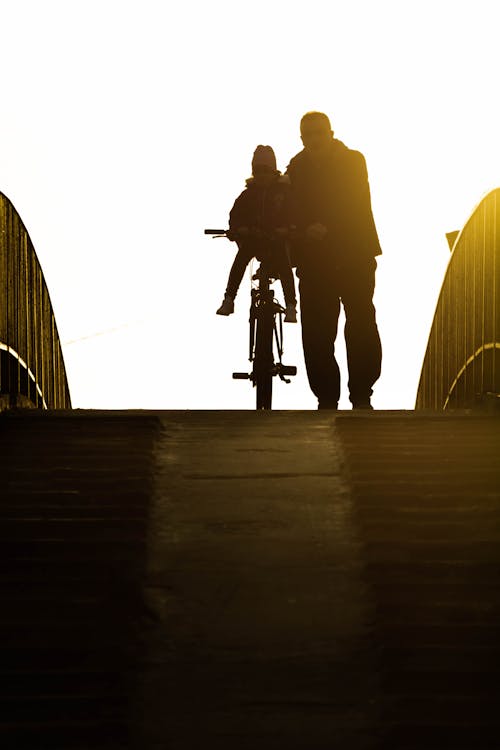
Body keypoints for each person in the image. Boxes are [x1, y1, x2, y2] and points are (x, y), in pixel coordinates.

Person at [286, 111, 382, 409]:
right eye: (307, 135)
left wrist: (325, 225)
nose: (313, 139)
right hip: (315, 261)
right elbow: (290, 207)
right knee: (316, 330)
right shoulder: (296, 167)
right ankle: (326, 397)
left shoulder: (353, 160)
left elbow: (353, 200)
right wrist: (304, 228)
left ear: (330, 132)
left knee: (361, 324)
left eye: (318, 133)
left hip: (355, 253)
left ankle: (362, 394)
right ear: (302, 139)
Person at [216, 145, 297, 323]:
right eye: (258, 171)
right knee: (241, 259)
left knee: (284, 263)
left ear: (274, 171)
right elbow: (235, 215)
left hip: (277, 238)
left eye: (265, 170)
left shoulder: (284, 193)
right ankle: (229, 299)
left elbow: (294, 213)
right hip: (254, 239)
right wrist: (236, 229)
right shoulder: (247, 195)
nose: (262, 175)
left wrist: (289, 228)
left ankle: (291, 305)